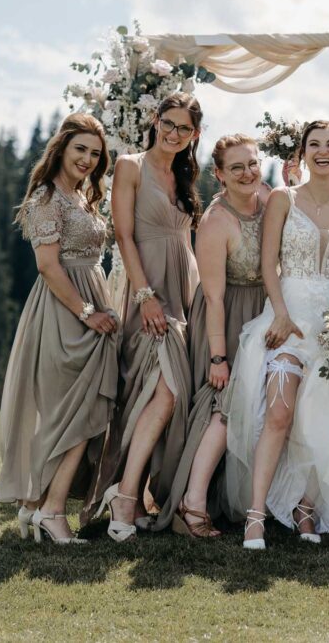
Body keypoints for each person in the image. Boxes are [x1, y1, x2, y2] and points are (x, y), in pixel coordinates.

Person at [224, 120, 329, 548]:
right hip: (285, 320)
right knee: (280, 413)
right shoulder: (283, 198)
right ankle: (256, 515)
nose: (323, 151)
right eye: (314, 145)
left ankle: (305, 508)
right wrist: (280, 316)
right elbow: (269, 264)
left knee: (327, 418)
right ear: (302, 154)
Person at [83, 93, 202, 541]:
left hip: (183, 288)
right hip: (145, 289)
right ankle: (126, 494)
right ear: (154, 120)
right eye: (168, 124)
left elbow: (190, 239)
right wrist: (145, 295)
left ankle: (137, 493)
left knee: (168, 390)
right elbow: (125, 235)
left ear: (195, 135)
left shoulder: (185, 173)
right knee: (163, 388)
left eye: (184, 129)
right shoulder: (130, 166)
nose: (173, 134)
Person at [0, 112, 119, 544]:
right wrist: (87, 312)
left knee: (84, 413)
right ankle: (47, 509)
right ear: (62, 148)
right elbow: (48, 266)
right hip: (64, 311)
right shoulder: (47, 197)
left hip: (92, 299)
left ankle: (38, 507)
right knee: (73, 415)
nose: (87, 159)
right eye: (80, 149)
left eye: (95, 153)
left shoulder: (84, 196)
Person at [157, 134, 269, 537]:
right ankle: (192, 502)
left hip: (263, 313)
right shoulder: (217, 221)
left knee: (257, 404)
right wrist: (218, 358)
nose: (247, 173)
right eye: (236, 167)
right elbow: (214, 298)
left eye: (252, 164)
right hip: (225, 318)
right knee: (226, 403)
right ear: (219, 175)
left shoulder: (269, 198)